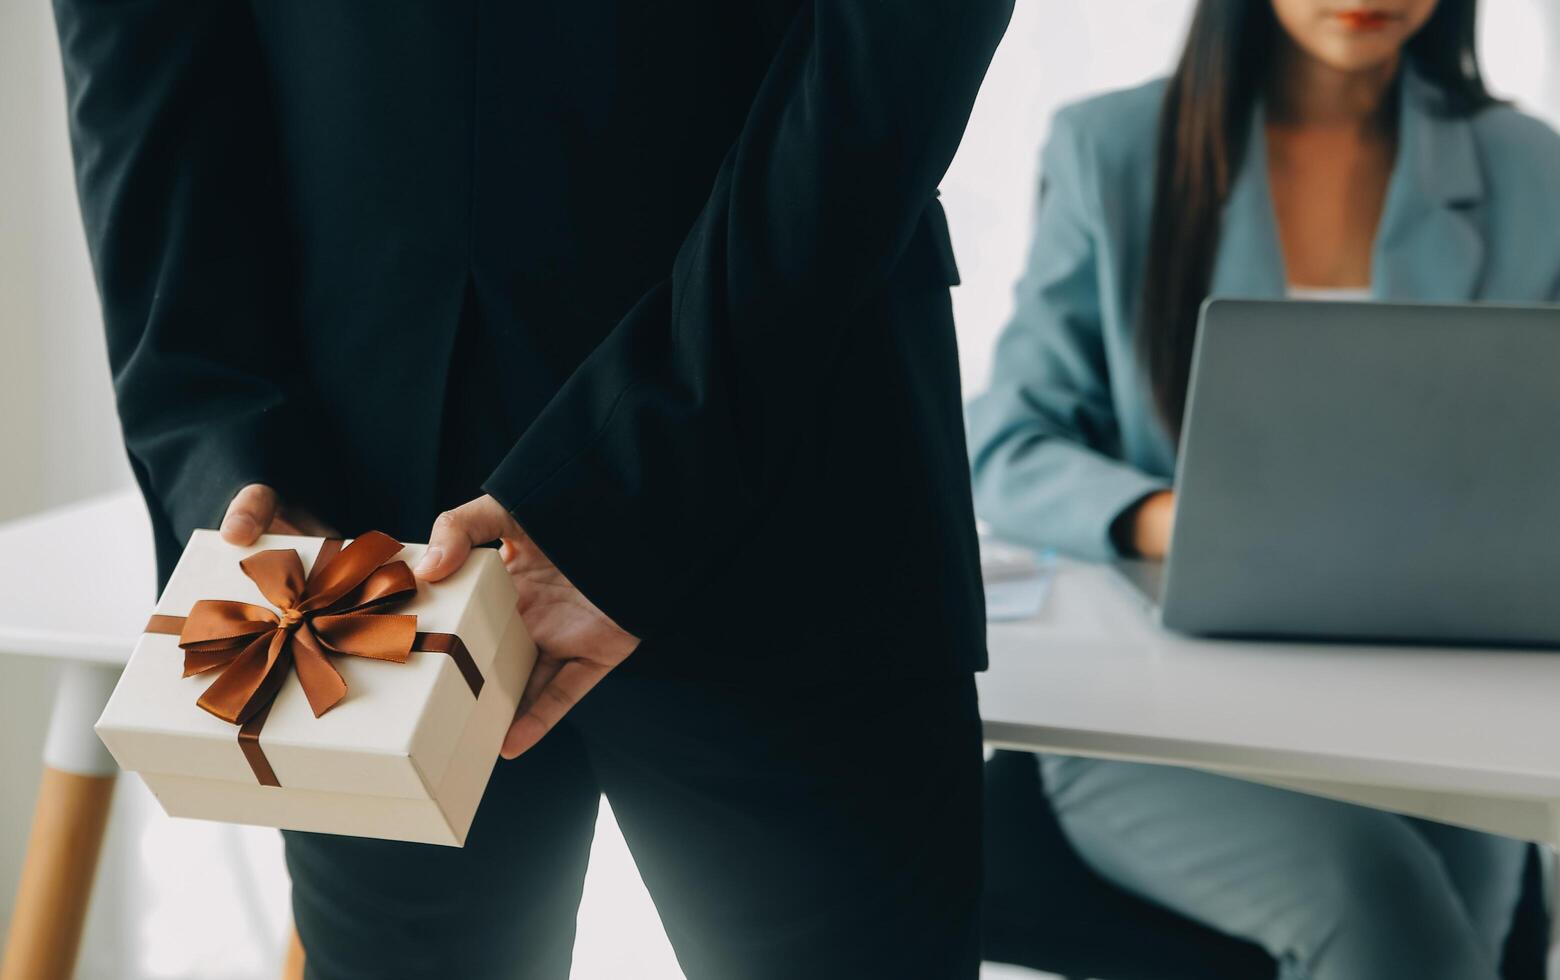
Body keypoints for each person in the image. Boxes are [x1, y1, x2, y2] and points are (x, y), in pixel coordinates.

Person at [54, 2, 1013, 977]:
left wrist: (637, 470)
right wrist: (222, 461)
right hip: (355, 554)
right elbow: (140, 65)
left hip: (792, 475)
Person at [967, 1, 1560, 977]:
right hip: (1171, 698)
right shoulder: (1111, 149)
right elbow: (1009, 440)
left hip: (1449, 681)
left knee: (1475, 930)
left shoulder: (1527, 163)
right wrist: (1174, 521)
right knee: (1389, 910)